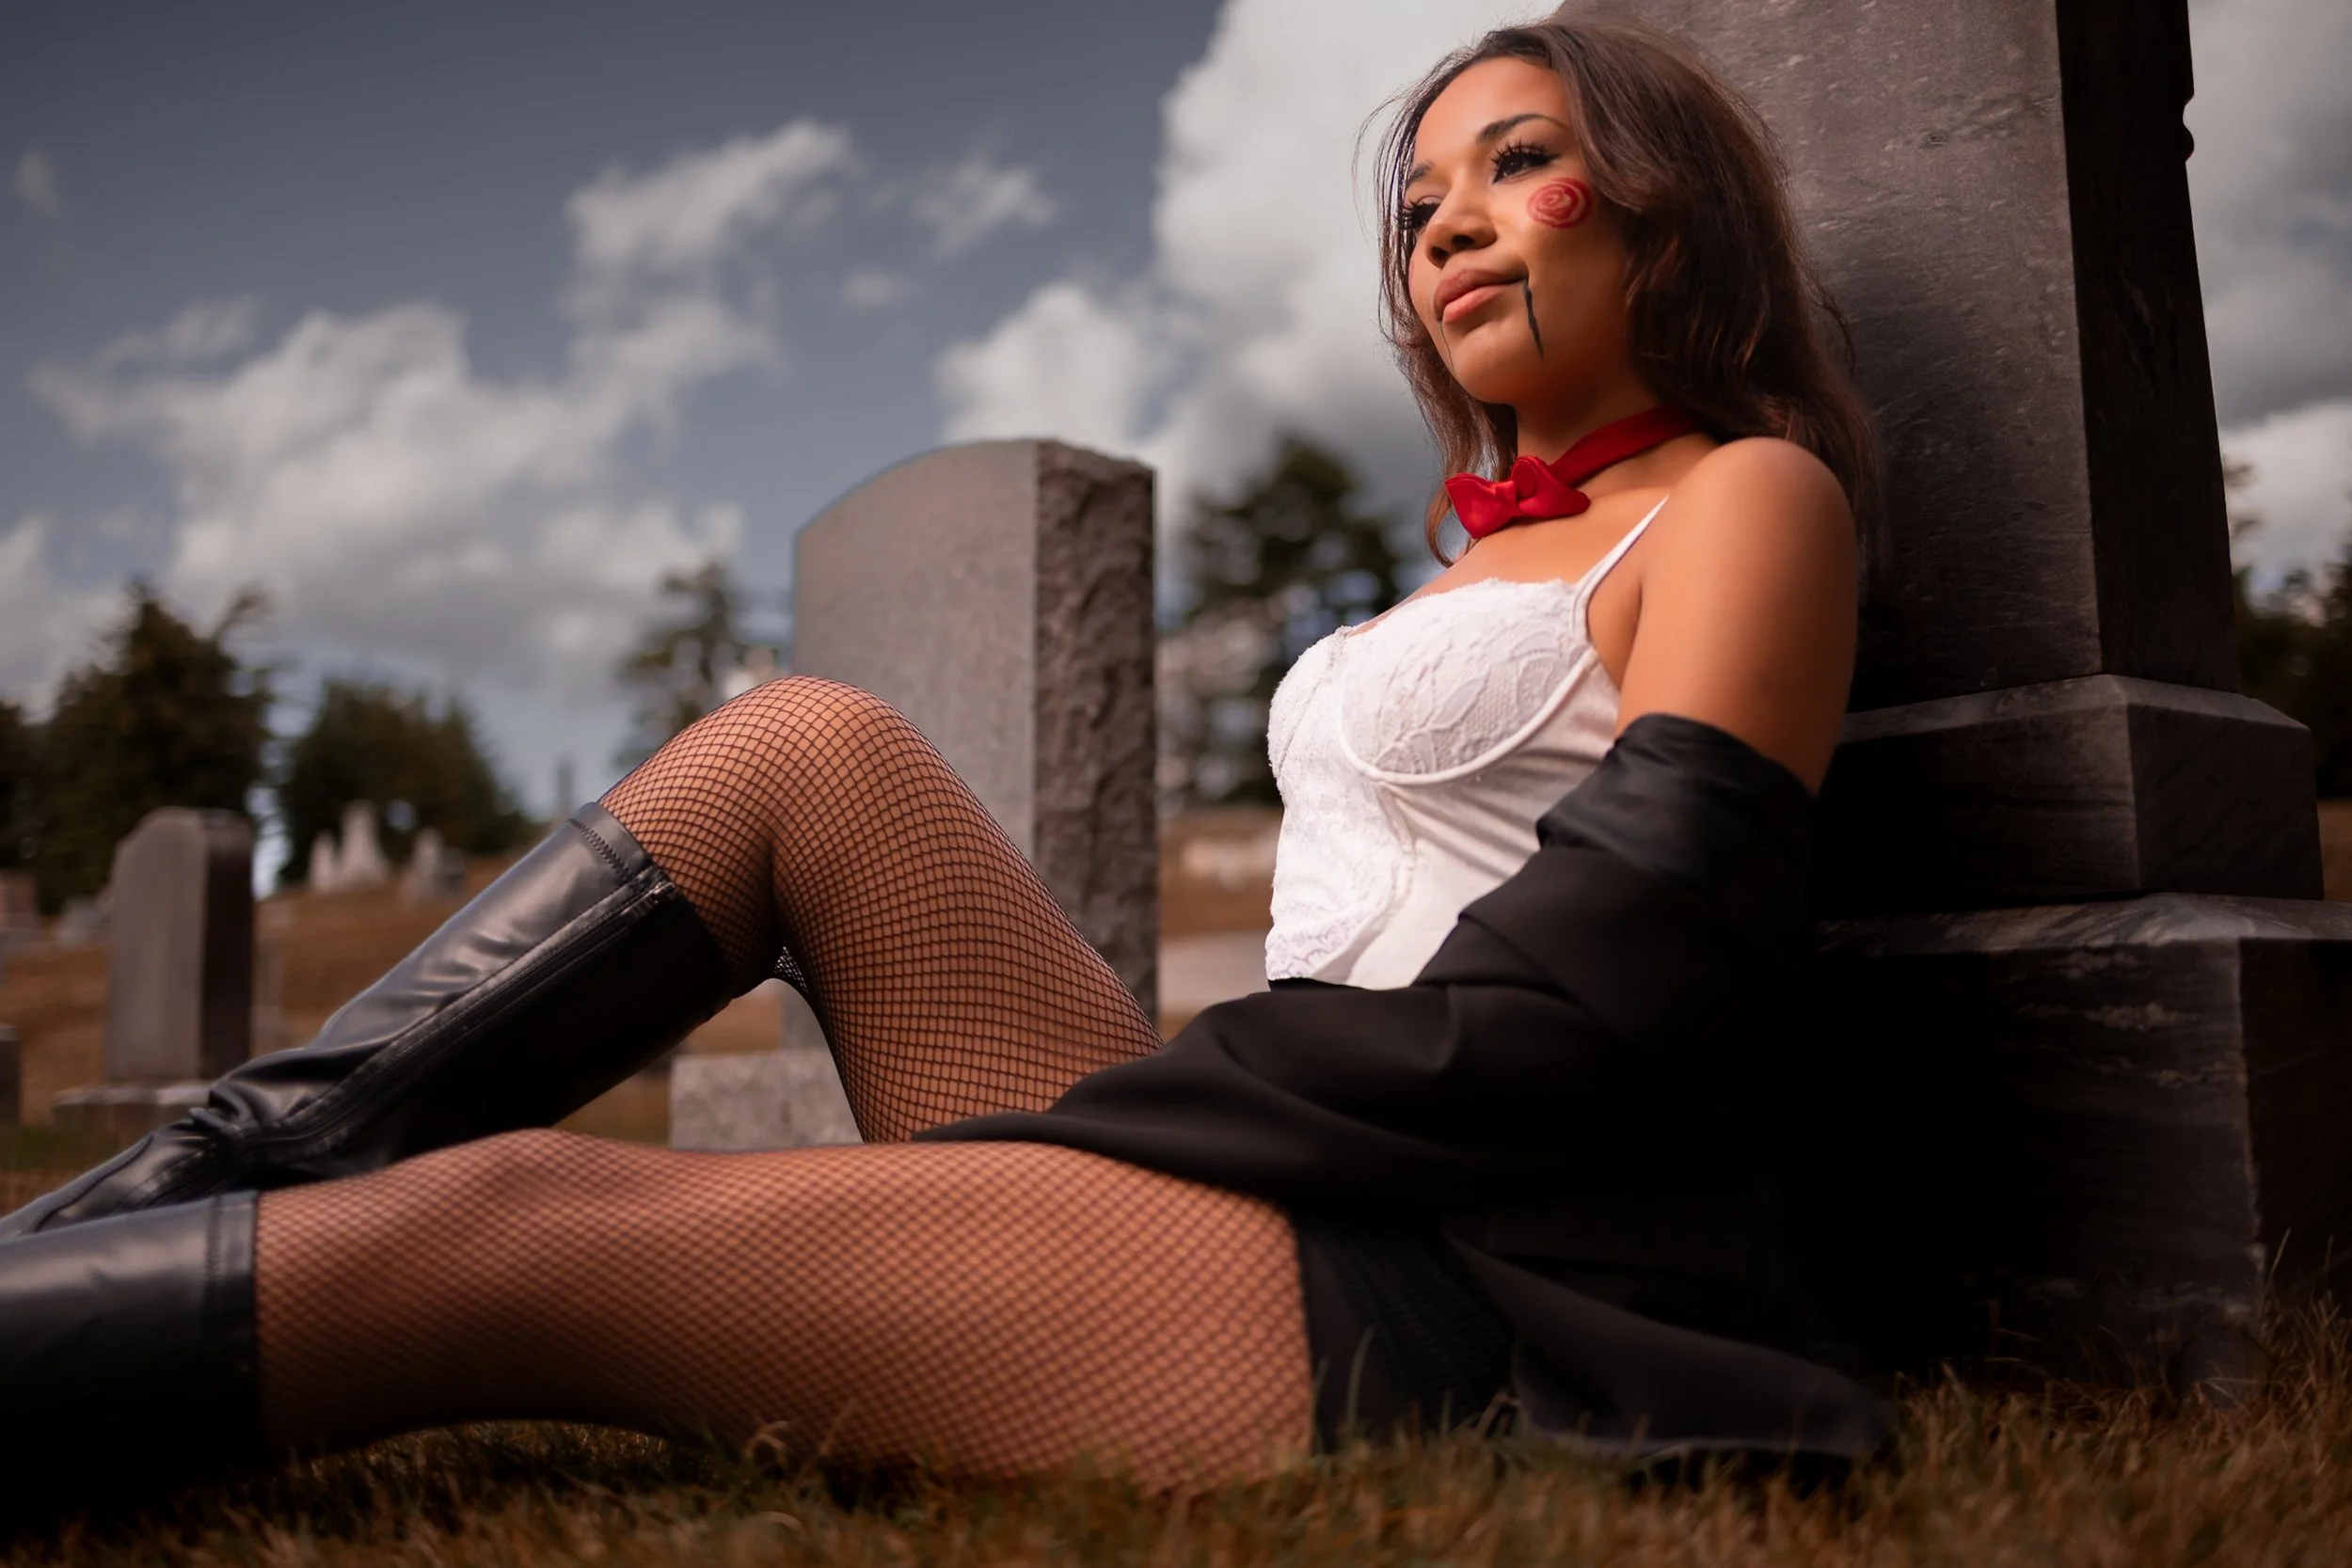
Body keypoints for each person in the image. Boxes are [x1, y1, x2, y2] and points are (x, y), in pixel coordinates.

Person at [0, 13, 1891, 1495]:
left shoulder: (1743, 501)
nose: (1447, 222)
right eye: (1415, 207)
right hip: (1291, 1151)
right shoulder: (1470, 560)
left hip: (1470, 1266)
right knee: (806, 746)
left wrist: (1186, 1095)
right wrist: (1176, 1110)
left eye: (1515, 164)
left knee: (524, 1217)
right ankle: (186, 1182)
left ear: (1658, 203)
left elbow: (1622, 980)